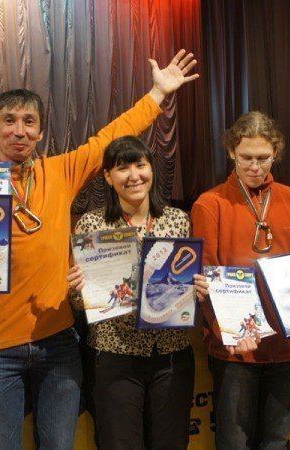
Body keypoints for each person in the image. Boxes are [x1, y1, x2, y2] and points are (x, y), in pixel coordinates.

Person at [0, 50, 198, 450]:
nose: (19, 131)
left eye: (29, 122)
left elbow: (108, 138)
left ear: (41, 132)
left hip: (58, 342)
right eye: (9, 121)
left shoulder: (59, 172)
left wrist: (157, 94)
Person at [191, 111, 290, 449]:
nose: (255, 167)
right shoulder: (210, 205)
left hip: (287, 346)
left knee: (276, 442)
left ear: (276, 153)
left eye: (263, 158)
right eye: (246, 158)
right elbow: (206, 277)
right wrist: (228, 333)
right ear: (231, 153)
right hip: (236, 350)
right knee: (234, 443)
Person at [67, 136, 195, 450]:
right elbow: (79, 302)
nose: (134, 175)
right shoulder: (92, 224)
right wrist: (76, 289)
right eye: (123, 168)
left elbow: (186, 286)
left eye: (140, 165)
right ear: (108, 177)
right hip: (115, 355)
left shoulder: (178, 221)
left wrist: (198, 289)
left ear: (152, 169)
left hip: (171, 353)